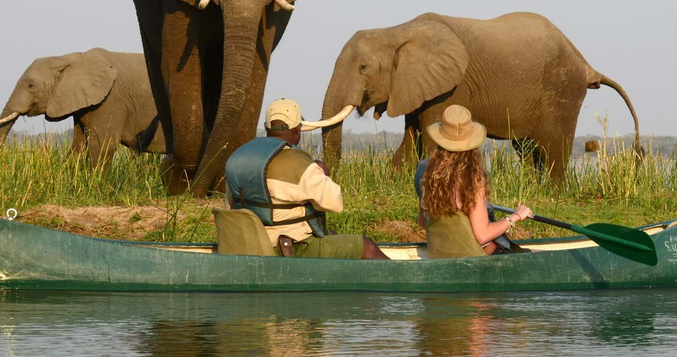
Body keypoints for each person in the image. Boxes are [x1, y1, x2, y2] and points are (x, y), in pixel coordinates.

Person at [225, 98, 388, 259]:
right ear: (298, 130)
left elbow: (230, 204)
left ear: (266, 127)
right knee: (367, 247)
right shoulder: (301, 164)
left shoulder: (238, 158)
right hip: (288, 248)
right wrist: (322, 173)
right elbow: (335, 203)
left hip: (249, 243)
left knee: (332, 235)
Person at [420, 104, 533, 258]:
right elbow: (482, 235)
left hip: (440, 258)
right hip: (479, 260)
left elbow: (423, 222)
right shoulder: (472, 180)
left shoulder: (427, 174)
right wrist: (515, 217)